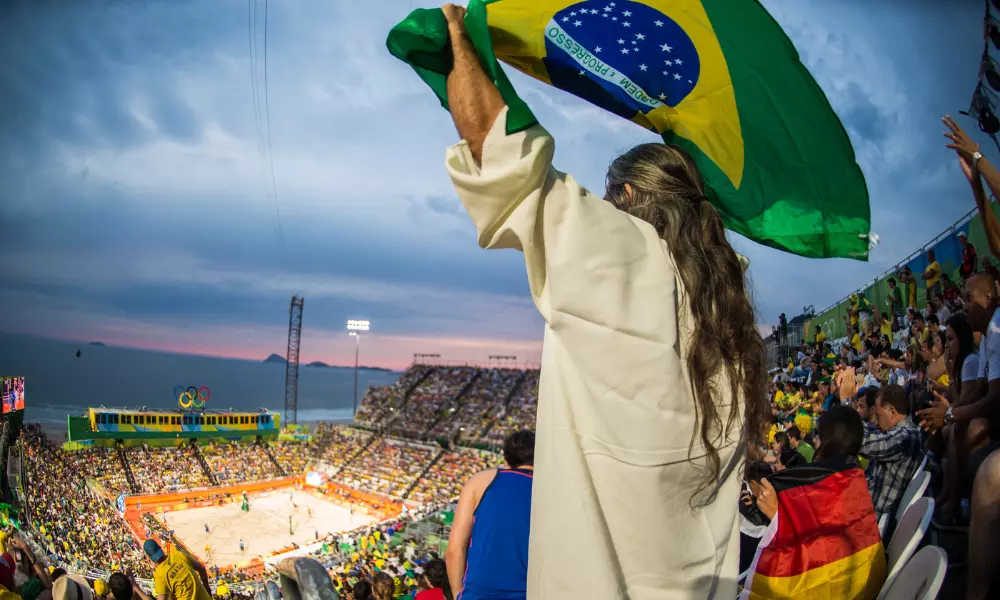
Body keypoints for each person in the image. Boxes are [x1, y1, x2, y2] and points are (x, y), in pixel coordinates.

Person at [439, 4, 768, 599]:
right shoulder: (732, 320)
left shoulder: (629, 257)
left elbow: (497, 151)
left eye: (614, 197)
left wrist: (458, 40)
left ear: (630, 196)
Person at [446, 431, 534, 600]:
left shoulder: (482, 481)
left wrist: (459, 595)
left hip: (479, 593)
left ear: (507, 460)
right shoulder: (555, 490)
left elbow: (455, 549)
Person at [858, 385, 924, 521]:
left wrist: (846, 403)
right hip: (866, 509)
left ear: (892, 412)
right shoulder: (900, 433)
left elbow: (862, 443)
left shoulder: (906, 437)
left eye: (879, 415)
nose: (876, 421)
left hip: (872, 518)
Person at [133, 540, 210, 600]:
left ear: (149, 557)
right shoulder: (179, 555)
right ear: (160, 548)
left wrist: (135, 587)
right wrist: (207, 588)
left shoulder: (160, 574)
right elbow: (202, 569)